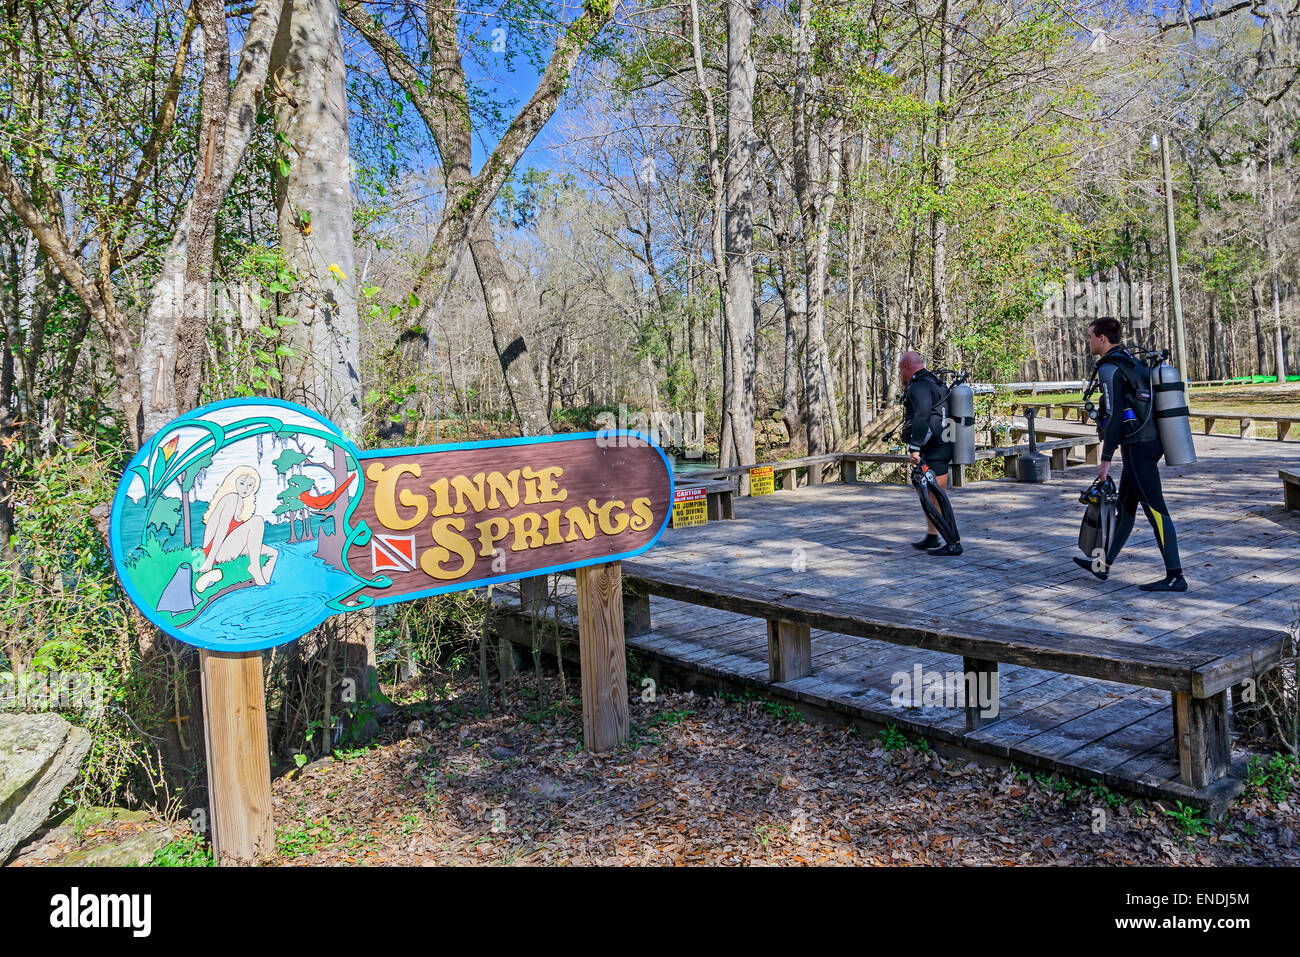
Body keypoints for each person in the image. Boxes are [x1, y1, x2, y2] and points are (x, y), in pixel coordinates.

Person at [1073, 318, 1187, 592]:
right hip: (1148, 442)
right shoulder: (1131, 361)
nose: (1087, 341)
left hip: (1138, 446)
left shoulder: (1110, 368)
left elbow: (1112, 417)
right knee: (1125, 509)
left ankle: (1175, 576)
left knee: (1157, 512)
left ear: (1102, 338)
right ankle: (1103, 565)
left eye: (1090, 336)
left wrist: (1105, 460)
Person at [899, 351, 962, 556]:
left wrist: (915, 446)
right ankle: (932, 536)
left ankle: (954, 543)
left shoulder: (919, 386)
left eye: (901, 369)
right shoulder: (935, 382)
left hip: (934, 446)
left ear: (907, 367)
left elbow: (923, 414)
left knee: (937, 496)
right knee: (928, 495)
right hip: (943, 442)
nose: (900, 374)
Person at [196, 464, 278, 591]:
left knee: (273, 553)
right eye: (242, 483)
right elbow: (221, 530)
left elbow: (241, 539)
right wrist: (209, 560)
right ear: (233, 482)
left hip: (229, 548)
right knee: (257, 521)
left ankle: (263, 584)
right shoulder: (231, 499)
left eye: (250, 485)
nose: (246, 488)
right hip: (215, 551)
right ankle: (255, 567)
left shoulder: (241, 506)